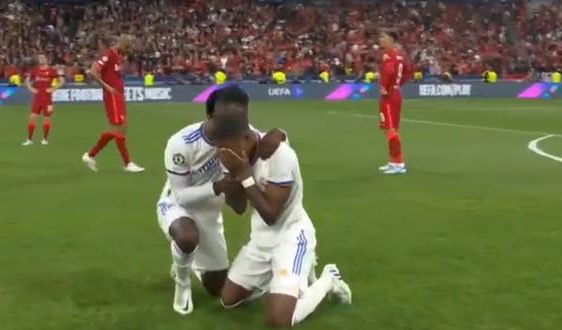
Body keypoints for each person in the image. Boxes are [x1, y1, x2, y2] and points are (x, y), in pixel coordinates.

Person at [212, 87, 352, 328]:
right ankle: (284, 282)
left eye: (224, 148)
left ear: (246, 139)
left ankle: (328, 278)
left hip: (291, 235)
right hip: (261, 240)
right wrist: (232, 184)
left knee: (279, 320)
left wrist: (245, 175)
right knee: (228, 301)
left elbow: (271, 215)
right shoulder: (233, 154)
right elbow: (238, 208)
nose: (221, 154)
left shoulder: (279, 155)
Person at [157, 86, 286, 315]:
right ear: (210, 115)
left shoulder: (249, 141)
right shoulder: (182, 143)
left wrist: (240, 181)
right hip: (178, 205)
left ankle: (189, 262)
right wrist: (217, 187)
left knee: (218, 289)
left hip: (210, 213)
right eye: (226, 121)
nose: (233, 128)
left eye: (241, 120)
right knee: (187, 237)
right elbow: (180, 195)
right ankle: (183, 284)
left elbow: (239, 208)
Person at [82, 34, 144, 173]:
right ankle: (127, 163)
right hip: (112, 96)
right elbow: (93, 71)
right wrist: (106, 86)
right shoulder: (108, 54)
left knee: (121, 129)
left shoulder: (117, 56)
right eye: (128, 47)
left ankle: (91, 155)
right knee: (118, 129)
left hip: (119, 95)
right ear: (123, 44)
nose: (129, 50)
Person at [378, 31, 407, 174]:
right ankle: (393, 161)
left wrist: (387, 87)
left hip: (390, 95)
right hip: (394, 93)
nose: (381, 40)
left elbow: (389, 73)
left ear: (391, 40)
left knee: (391, 129)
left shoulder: (390, 57)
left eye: (383, 37)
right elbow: (409, 71)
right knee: (388, 129)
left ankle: (399, 163)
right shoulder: (398, 56)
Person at [23, 54, 65, 146]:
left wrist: (53, 89)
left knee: (47, 118)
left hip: (47, 99)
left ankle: (45, 139)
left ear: (46, 59)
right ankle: (29, 139)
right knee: (32, 118)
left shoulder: (51, 70)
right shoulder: (35, 70)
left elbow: (62, 81)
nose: (41, 59)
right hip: (37, 98)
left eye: (42, 58)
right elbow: (27, 80)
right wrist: (31, 89)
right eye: (39, 58)